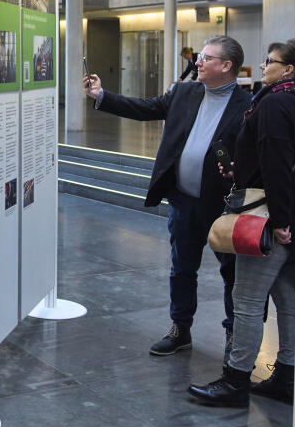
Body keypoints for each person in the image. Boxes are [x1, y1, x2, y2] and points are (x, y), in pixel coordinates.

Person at [84, 35, 251, 356]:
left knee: (232, 274)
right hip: (184, 200)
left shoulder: (247, 106)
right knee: (181, 268)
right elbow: (147, 108)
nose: (198, 63)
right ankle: (180, 328)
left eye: (206, 58)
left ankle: (234, 335)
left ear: (226, 66)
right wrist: (101, 95)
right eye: (201, 57)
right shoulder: (185, 92)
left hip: (224, 208)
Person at [188, 39, 295, 407]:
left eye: (272, 61)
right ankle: (288, 375)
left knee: (247, 299)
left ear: (289, 69)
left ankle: (235, 381)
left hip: (269, 216)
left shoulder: (274, 102)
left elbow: (277, 162)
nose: (264, 65)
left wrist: (281, 221)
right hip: (291, 212)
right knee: (287, 297)